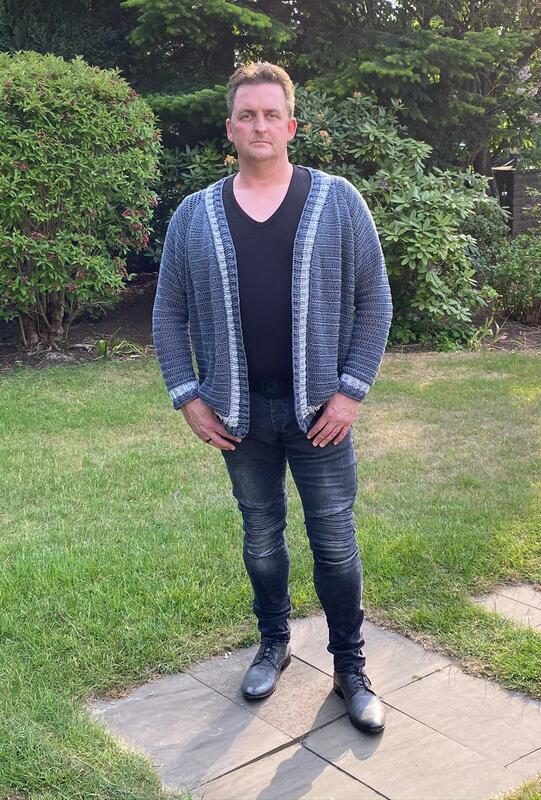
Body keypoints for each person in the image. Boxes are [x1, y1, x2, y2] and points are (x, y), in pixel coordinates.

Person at [152, 61, 393, 734]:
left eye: (271, 114)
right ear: (230, 128)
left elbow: (375, 301)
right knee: (261, 537)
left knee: (335, 542)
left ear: (291, 126)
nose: (259, 125)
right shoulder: (194, 215)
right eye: (247, 115)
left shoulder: (337, 200)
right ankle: (274, 643)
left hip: (321, 415)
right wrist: (188, 396)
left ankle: (350, 667)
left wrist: (349, 393)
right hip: (239, 415)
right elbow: (168, 312)